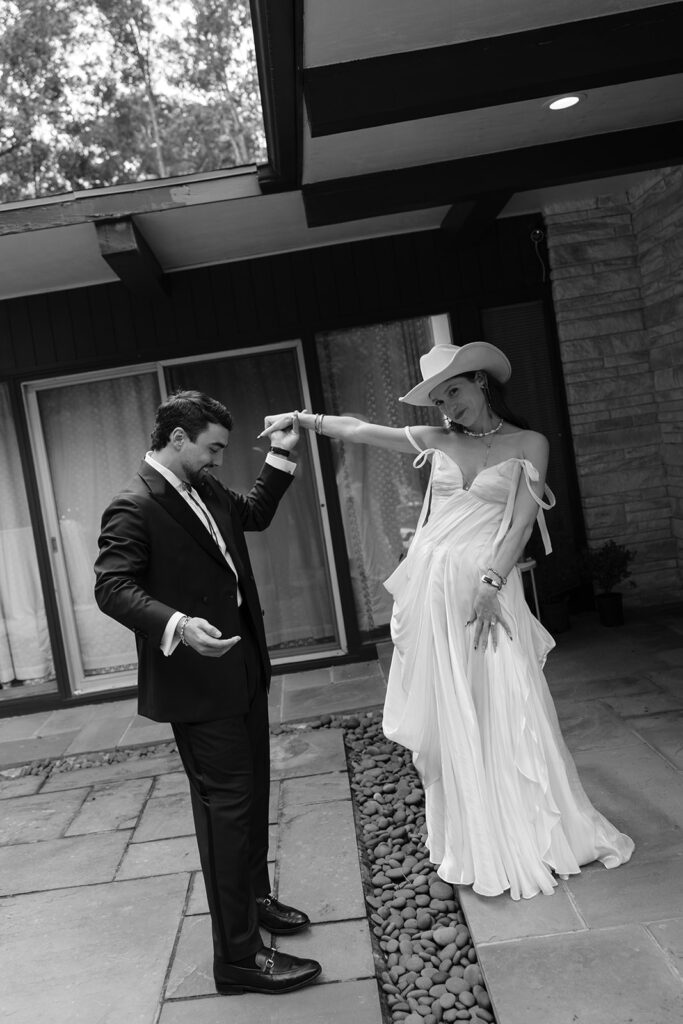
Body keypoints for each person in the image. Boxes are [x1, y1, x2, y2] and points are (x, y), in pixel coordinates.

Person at [261, 343, 634, 900]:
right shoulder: (436, 440)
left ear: (481, 382)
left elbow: (521, 528)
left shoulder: (530, 444)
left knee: (502, 699)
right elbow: (361, 431)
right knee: (453, 707)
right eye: (438, 399)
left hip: (487, 589)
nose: (447, 407)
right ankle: (472, 829)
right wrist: (302, 420)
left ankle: (526, 826)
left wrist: (491, 586)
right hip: (433, 592)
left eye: (453, 392)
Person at [94, 390, 321, 994]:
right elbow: (112, 588)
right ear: (177, 439)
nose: (220, 458)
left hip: (241, 668)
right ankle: (239, 959)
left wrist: (282, 455)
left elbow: (254, 512)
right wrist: (176, 625)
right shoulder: (134, 505)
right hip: (196, 683)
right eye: (214, 447)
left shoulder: (206, 489)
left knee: (251, 794)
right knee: (227, 810)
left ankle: (255, 897)